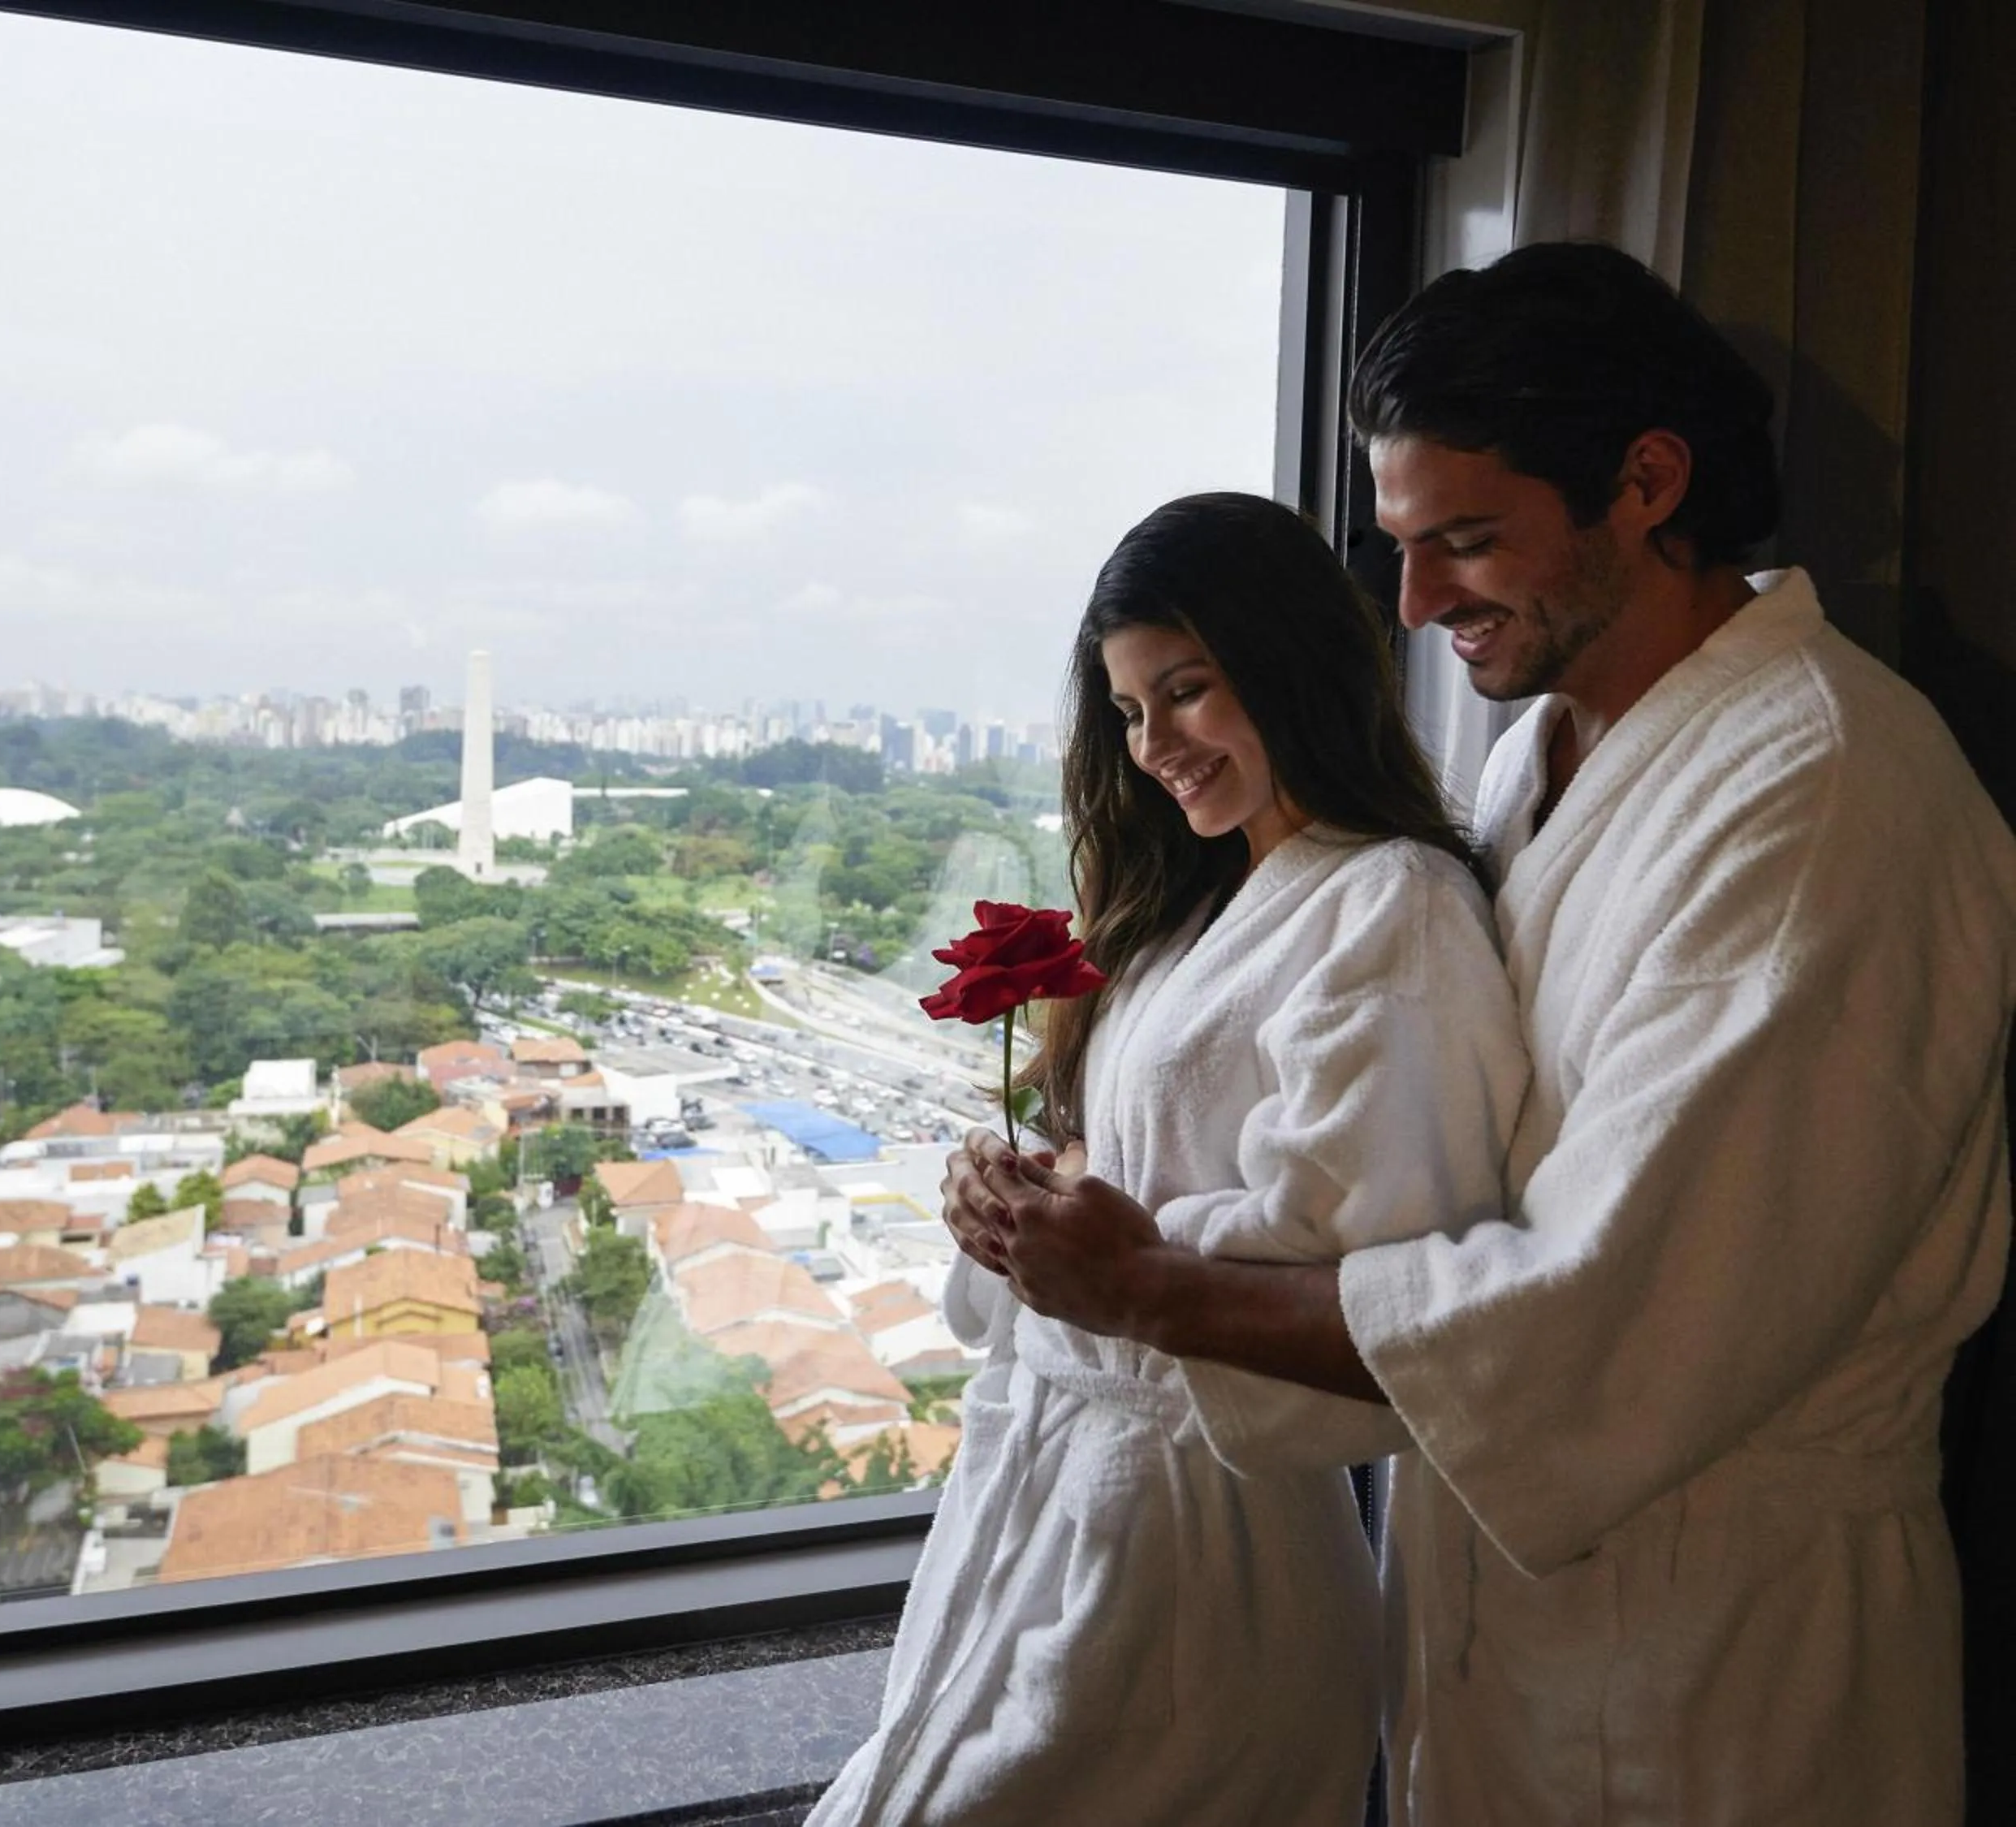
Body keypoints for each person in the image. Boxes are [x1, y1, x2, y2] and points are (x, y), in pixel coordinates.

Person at [956, 243, 2016, 1825]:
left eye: (1465, 540)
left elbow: (1613, 1313)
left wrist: (1145, 1285)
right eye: (1400, 545)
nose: (1414, 602)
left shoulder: (1821, 795)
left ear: (1646, 482)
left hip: (1727, 1654)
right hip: (1503, 1613)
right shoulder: (1548, 760)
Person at [809, 493, 1527, 1826]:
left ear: (1293, 657)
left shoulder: (1395, 910)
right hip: (1051, 1491)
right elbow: (1126, 1162)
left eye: (1187, 691)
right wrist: (1017, 1198)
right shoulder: (1200, 903)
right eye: (1132, 712)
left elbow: (1382, 1278)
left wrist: (1112, 1247)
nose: (1156, 747)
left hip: (1199, 1549)